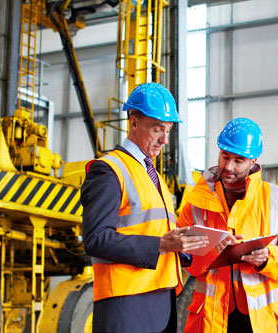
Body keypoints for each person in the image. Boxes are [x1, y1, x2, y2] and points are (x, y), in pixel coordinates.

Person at [80, 82, 210, 333]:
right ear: (134, 123)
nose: (164, 139)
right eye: (157, 129)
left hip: (161, 303)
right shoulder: (108, 170)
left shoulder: (154, 176)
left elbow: (157, 231)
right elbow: (96, 239)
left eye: (168, 130)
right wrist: (161, 244)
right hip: (126, 304)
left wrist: (187, 246)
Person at [177, 117, 278, 332]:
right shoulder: (196, 204)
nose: (228, 166)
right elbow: (183, 259)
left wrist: (270, 258)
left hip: (268, 319)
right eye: (225, 156)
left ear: (253, 161)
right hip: (215, 317)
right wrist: (210, 252)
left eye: (239, 160)